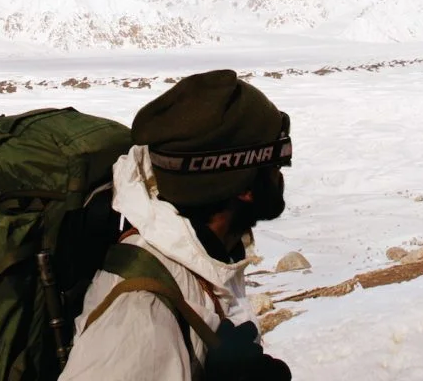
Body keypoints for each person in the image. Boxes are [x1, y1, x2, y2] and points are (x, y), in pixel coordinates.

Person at [60, 70, 294, 380]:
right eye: (277, 162)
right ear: (244, 188)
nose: (281, 176)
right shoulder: (142, 314)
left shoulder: (202, 259)